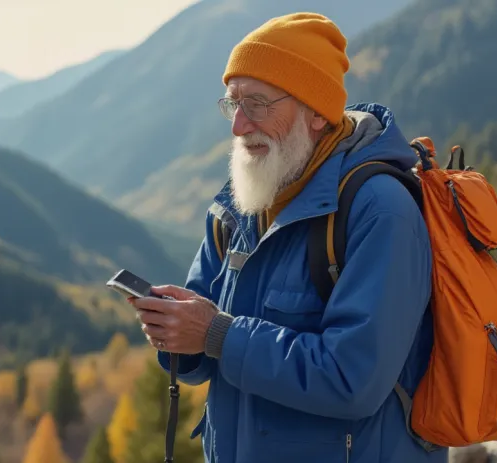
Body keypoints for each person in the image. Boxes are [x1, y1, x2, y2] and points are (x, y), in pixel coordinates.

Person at [127, 12, 449, 463]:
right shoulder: (238, 204)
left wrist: (217, 332)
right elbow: (204, 354)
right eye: (232, 104)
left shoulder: (380, 210)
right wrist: (176, 330)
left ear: (316, 111)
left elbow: (352, 380)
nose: (239, 125)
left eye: (257, 104)